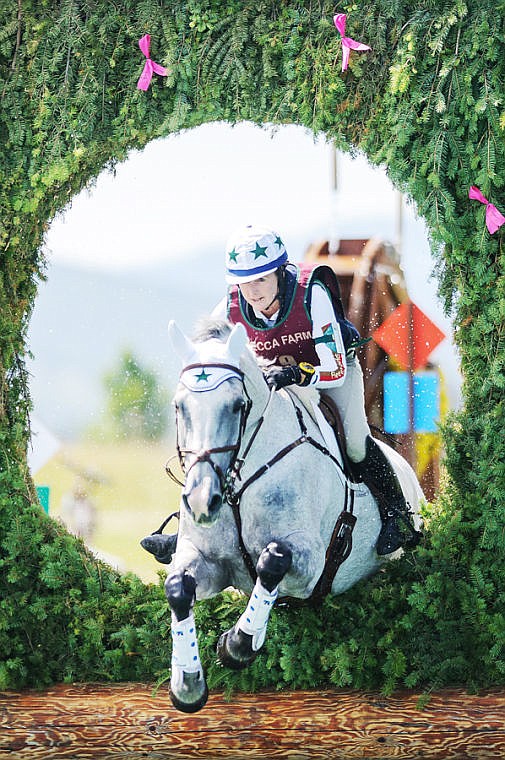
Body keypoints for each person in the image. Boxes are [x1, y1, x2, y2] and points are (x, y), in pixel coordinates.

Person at [212, 224, 421, 555]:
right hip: (277, 383)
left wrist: (295, 373)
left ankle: (399, 514)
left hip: (331, 373)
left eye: (261, 279)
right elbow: (210, 352)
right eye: (243, 282)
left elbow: (335, 369)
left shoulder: (312, 292)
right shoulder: (229, 307)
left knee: (353, 441)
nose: (252, 291)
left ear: (280, 274)